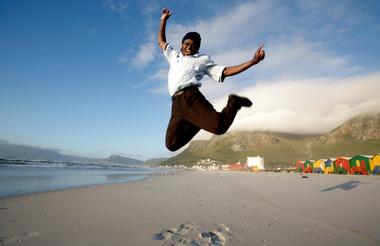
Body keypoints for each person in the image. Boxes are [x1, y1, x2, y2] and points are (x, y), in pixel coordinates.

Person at [158, 8, 265, 152]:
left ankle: (234, 102)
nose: (190, 47)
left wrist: (252, 61)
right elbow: (161, 41)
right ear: (182, 44)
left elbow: (225, 71)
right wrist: (163, 20)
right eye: (187, 43)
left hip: (190, 97)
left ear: (197, 48)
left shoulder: (202, 60)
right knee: (171, 144)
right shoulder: (174, 56)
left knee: (219, 127)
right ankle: (197, 122)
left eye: (194, 45)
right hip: (176, 104)